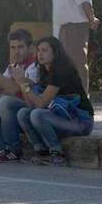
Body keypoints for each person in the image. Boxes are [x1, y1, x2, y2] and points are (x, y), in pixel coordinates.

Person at [14, 36, 94, 167]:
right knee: (23, 113)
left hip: (81, 122)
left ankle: (57, 154)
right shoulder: (45, 72)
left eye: (44, 50)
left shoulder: (62, 71)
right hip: (62, 118)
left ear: (55, 52)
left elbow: (40, 104)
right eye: (38, 50)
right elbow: (32, 105)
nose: (40, 54)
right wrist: (24, 83)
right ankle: (41, 152)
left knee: (37, 114)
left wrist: (23, 85)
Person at [0, 28, 39, 162]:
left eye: (20, 47)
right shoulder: (13, 66)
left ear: (30, 47)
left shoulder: (35, 66)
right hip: (12, 114)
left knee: (5, 101)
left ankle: (13, 149)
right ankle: (0, 150)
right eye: (13, 47)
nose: (16, 51)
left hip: (29, 112)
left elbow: (15, 90)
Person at [52, 0, 100, 95]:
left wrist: (91, 19)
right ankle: (69, 96)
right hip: (65, 28)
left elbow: (84, 2)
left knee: (77, 63)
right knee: (63, 63)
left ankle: (82, 98)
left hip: (76, 28)